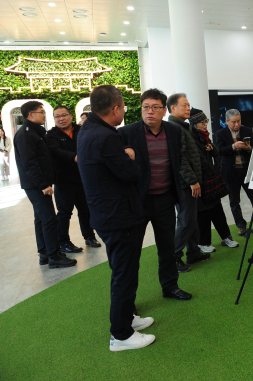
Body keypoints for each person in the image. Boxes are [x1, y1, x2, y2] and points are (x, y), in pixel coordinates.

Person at [77, 85, 154, 352]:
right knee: (124, 274)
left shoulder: (88, 128)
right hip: (118, 216)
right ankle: (121, 335)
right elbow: (129, 173)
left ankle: (127, 318)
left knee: (123, 270)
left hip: (107, 213)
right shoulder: (104, 136)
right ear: (116, 108)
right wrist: (130, 156)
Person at [118, 89, 193, 300]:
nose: (149, 111)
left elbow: (177, 161)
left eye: (155, 107)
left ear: (164, 110)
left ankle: (170, 286)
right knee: (131, 252)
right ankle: (128, 300)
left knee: (167, 247)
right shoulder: (126, 133)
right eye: (146, 107)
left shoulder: (174, 131)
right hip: (137, 201)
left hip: (165, 199)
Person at [13, 101, 77, 269]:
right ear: (30, 115)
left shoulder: (35, 132)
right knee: (49, 219)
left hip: (39, 183)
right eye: (41, 112)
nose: (44, 115)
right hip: (36, 185)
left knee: (41, 219)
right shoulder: (25, 135)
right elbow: (30, 164)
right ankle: (54, 256)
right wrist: (43, 184)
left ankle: (45, 253)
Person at [46, 105, 100, 252]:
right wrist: (75, 157)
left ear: (70, 116)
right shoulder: (51, 135)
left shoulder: (81, 130)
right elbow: (55, 151)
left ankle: (89, 236)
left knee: (85, 210)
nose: (61, 119)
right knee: (64, 213)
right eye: (57, 116)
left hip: (83, 178)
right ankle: (63, 242)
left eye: (64, 115)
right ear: (54, 119)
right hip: (63, 180)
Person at [166, 93, 211, 272]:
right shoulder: (174, 128)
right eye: (184, 105)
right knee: (186, 221)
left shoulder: (183, 127)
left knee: (191, 219)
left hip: (189, 182)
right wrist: (193, 181)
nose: (188, 108)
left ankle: (193, 252)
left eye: (188, 105)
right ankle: (174, 258)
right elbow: (180, 159)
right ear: (172, 108)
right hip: (185, 184)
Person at [189, 108, 238, 252]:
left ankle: (226, 237)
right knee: (203, 213)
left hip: (210, 178)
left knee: (217, 209)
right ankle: (203, 242)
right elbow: (198, 159)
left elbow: (216, 151)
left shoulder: (205, 136)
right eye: (202, 122)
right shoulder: (190, 137)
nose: (205, 124)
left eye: (206, 121)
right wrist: (212, 170)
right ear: (194, 123)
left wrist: (211, 149)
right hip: (200, 179)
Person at [215, 109, 253, 235]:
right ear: (226, 121)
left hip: (247, 170)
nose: (236, 124)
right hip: (231, 172)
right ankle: (241, 225)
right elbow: (220, 150)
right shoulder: (220, 133)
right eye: (233, 122)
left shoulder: (246, 130)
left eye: (238, 121)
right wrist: (234, 146)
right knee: (234, 201)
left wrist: (248, 148)